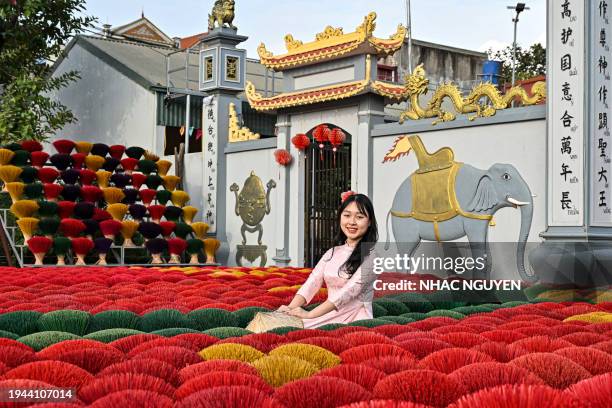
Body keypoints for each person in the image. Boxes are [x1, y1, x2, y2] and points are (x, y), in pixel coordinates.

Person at [278, 192, 378, 328]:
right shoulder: (333, 252)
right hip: (327, 313)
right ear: (340, 217)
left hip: (355, 318)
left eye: (359, 217)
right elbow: (312, 282)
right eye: (347, 215)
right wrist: (290, 309)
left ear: (370, 221)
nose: (352, 222)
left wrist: (309, 315)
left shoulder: (372, 256)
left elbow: (348, 292)